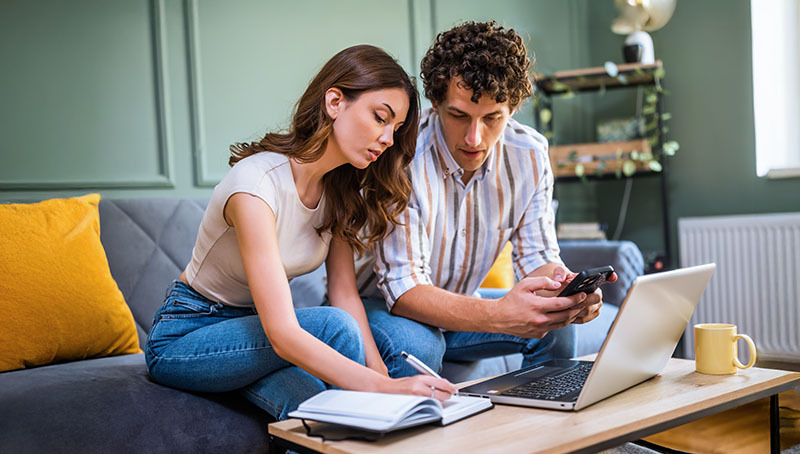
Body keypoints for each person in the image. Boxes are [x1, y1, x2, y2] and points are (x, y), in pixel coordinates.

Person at [144, 45, 457, 421]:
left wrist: (383, 376)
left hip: (251, 335)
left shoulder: (340, 193)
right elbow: (282, 331)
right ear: (335, 101)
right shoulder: (256, 184)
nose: (388, 138)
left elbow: (345, 295)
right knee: (333, 329)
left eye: (396, 129)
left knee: (314, 409)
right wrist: (384, 389)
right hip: (187, 335)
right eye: (380, 118)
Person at [356, 22, 616, 377]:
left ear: (514, 108)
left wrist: (566, 293)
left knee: (556, 323)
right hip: (381, 307)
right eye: (459, 115)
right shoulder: (401, 156)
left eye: (493, 118)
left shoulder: (529, 154)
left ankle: (545, 425)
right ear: (435, 103)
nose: (474, 137)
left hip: (462, 310)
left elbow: (537, 257)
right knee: (419, 345)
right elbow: (405, 290)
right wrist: (499, 315)